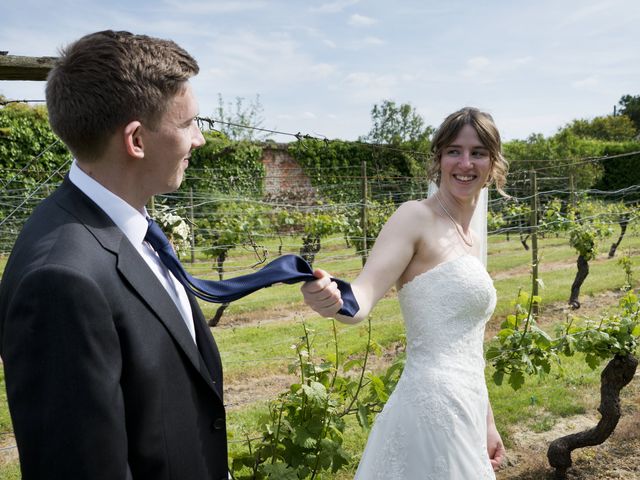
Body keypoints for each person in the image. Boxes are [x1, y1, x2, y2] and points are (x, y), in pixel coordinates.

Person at [0, 31, 228, 480]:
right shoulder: (60, 281)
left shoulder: (126, 227)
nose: (199, 140)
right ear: (136, 141)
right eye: (188, 124)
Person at [301, 107, 508, 479]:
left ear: (493, 162)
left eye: (477, 152)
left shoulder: (472, 237)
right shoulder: (415, 217)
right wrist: (332, 299)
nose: (465, 162)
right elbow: (363, 295)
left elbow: (470, 345)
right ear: (439, 159)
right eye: (454, 151)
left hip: (468, 405)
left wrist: (487, 422)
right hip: (433, 409)